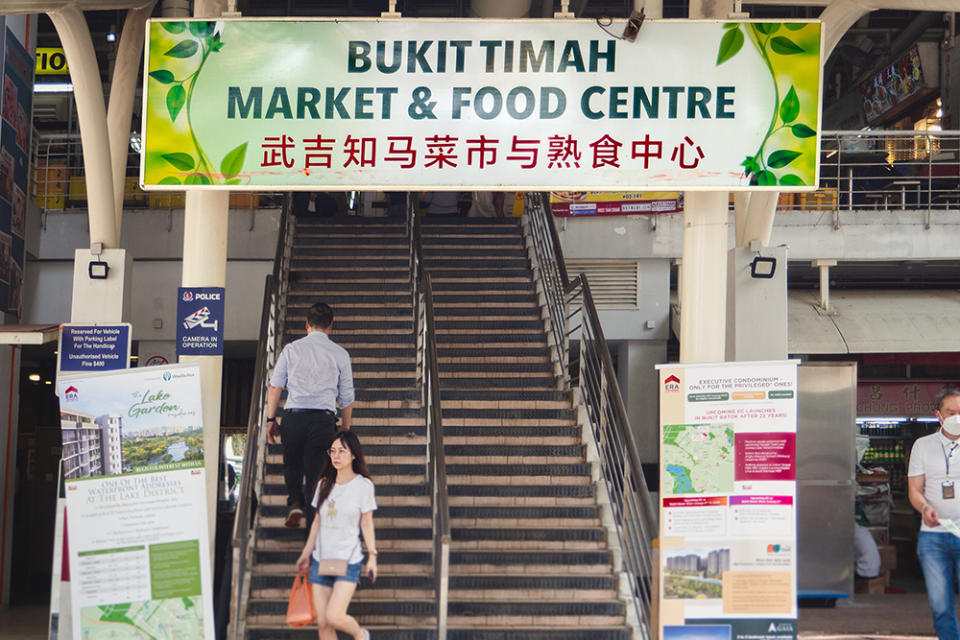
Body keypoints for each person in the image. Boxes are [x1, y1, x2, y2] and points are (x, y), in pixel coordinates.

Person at [267, 302, 354, 528]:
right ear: (331, 326)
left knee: (292, 462)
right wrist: (345, 426)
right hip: (323, 421)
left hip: (294, 417)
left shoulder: (291, 349)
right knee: (317, 471)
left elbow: (275, 387)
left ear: (306, 325)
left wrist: (270, 419)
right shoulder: (340, 354)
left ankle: (295, 501)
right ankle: (313, 525)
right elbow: (347, 395)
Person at [295, 430, 377, 640]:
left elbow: (366, 523)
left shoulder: (363, 486)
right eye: (332, 451)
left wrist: (373, 556)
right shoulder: (324, 484)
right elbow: (317, 522)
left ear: (353, 455)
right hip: (321, 559)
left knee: (334, 616)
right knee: (323, 623)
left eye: (342, 451)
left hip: (349, 560)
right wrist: (306, 553)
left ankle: (361, 635)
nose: (336, 456)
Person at [908, 383, 960, 640]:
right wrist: (925, 507)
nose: (957, 417)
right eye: (951, 412)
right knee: (941, 606)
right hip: (933, 536)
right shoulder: (923, 445)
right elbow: (915, 490)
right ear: (938, 415)